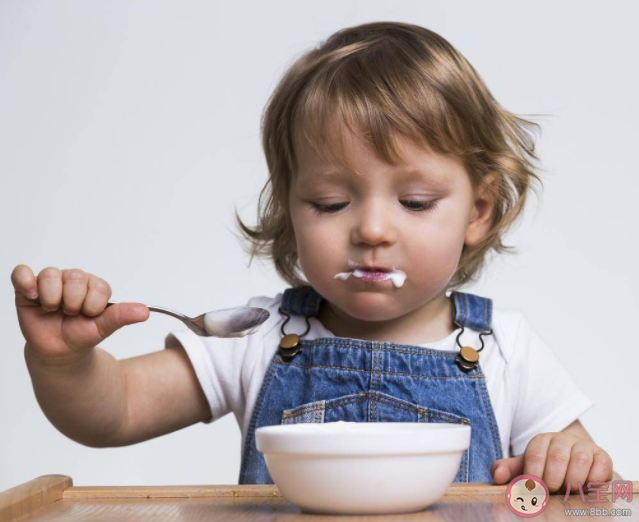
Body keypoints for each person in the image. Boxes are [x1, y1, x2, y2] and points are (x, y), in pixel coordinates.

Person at [12, 21, 621, 490]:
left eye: (414, 200)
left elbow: (585, 477)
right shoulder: (256, 336)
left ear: (478, 212)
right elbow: (111, 413)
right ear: (290, 208)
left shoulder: (507, 352)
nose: (373, 230)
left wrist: (570, 461)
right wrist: (64, 365)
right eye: (330, 203)